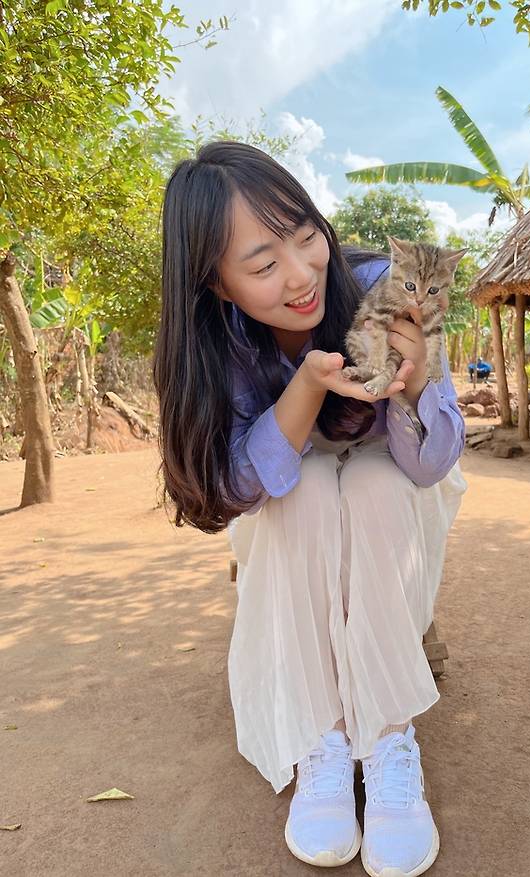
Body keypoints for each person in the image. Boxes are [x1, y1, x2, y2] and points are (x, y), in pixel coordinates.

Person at [153, 140, 468, 877]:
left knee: (372, 485)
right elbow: (231, 490)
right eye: (263, 264)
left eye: (306, 236)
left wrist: (416, 385)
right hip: (288, 492)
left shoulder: (386, 291)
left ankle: (389, 735)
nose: (301, 275)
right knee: (298, 497)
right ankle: (323, 735)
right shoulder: (212, 345)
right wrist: (310, 388)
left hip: (396, 474)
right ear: (217, 283)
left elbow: (427, 463)